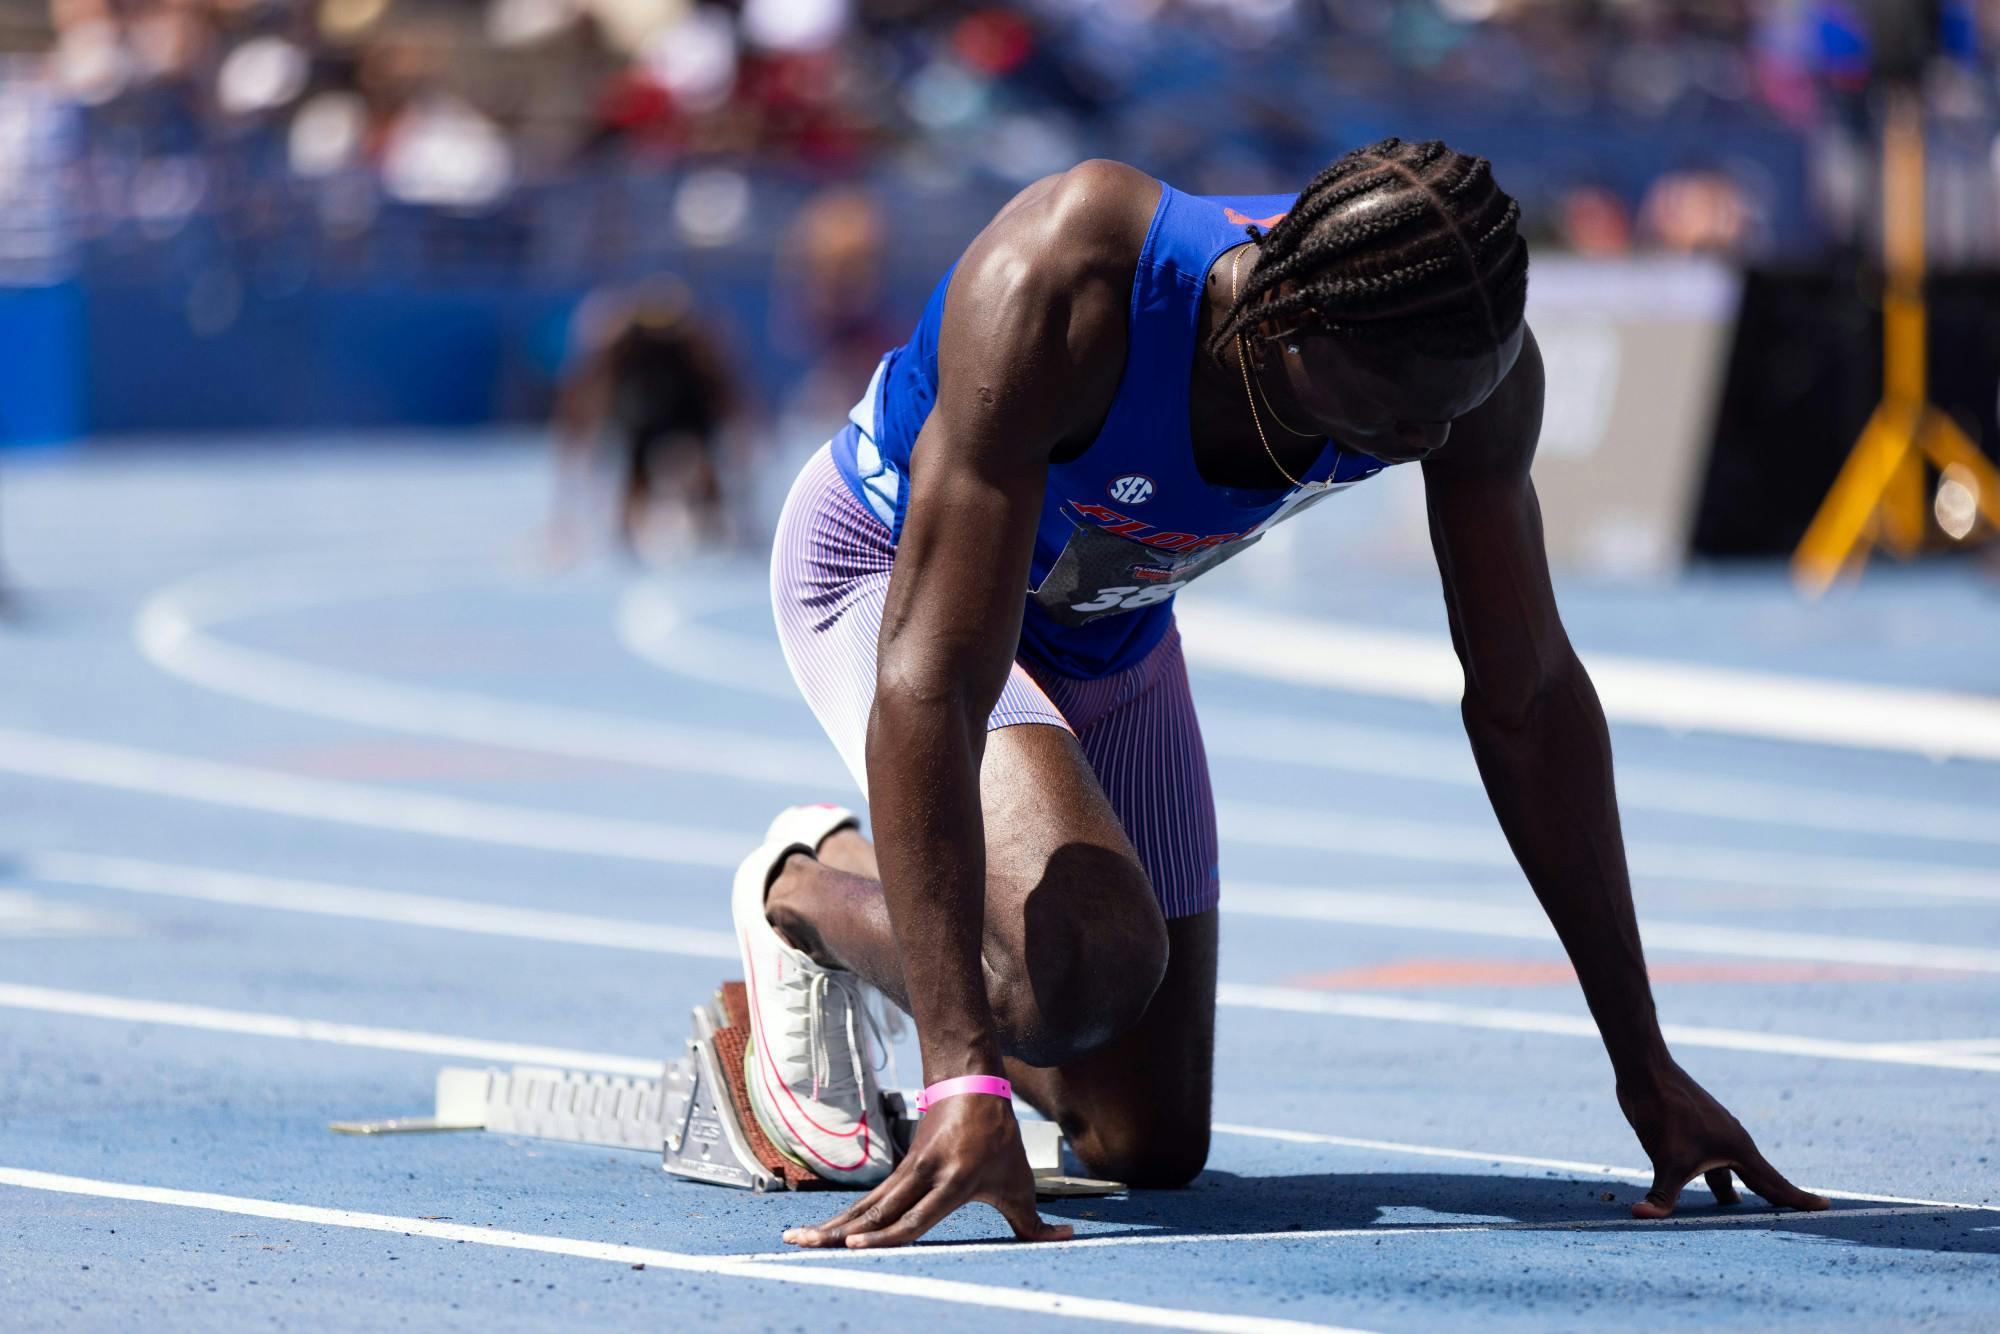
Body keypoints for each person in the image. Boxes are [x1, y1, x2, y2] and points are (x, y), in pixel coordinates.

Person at [731, 140, 1830, 1250]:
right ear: (1289, 328)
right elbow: (931, 677)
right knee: (1080, 963)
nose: (1429, 441)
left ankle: (979, 958)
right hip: (892, 579)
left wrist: (1642, 1063)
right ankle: (804, 893)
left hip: (1106, 617)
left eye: (1453, 411)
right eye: (1401, 418)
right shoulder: (1062, 281)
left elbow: (1526, 697)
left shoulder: (1456, 360)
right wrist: (959, 1083)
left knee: (1147, 1142)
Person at [548, 274, 737, 560]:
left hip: (685, 410)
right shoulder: (621, 342)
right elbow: (592, 386)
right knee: (637, 478)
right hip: (642, 415)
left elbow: (721, 386)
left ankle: (711, 523)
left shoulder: (694, 345)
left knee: (701, 472)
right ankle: (627, 535)